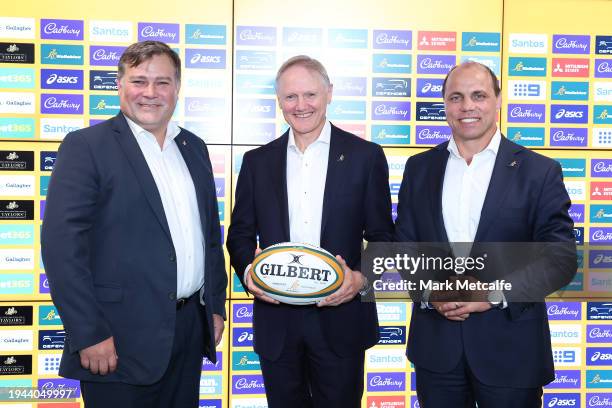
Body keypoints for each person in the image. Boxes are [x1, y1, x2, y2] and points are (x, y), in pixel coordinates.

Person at [41, 40, 227, 408]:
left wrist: (215, 307)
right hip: (115, 340)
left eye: (162, 82)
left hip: (188, 332)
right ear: (120, 84)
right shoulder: (86, 146)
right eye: (139, 81)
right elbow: (63, 248)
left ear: (177, 86)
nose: (151, 93)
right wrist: (88, 333)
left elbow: (209, 238)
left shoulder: (194, 147)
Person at [394, 61, 576, 407]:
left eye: (479, 95)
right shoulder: (418, 169)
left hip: (511, 351)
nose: (467, 107)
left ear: (498, 100)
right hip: (437, 352)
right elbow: (405, 247)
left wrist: (493, 293)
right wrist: (431, 292)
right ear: (445, 105)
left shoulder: (539, 172)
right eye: (456, 97)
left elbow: (560, 258)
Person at [226, 55, 393, 407]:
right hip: (277, 322)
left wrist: (360, 280)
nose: (300, 106)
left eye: (310, 95)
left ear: (329, 93)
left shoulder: (366, 156)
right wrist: (249, 272)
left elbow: (383, 236)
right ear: (279, 101)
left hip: (341, 321)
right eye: (290, 97)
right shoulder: (257, 162)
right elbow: (239, 235)